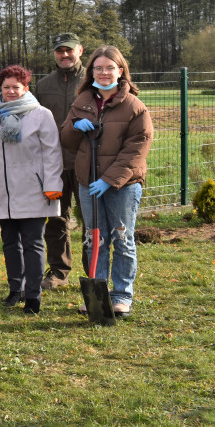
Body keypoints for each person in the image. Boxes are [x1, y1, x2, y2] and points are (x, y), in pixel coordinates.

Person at [61, 46, 152, 318]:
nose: (104, 72)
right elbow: (66, 139)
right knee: (94, 239)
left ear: (120, 71)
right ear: (91, 73)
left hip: (122, 186)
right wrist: (74, 127)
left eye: (110, 67)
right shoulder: (83, 102)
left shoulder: (134, 106)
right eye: (98, 68)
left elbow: (137, 148)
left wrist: (109, 180)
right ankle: (98, 296)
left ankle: (122, 296)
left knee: (122, 238)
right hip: (88, 184)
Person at [0, 65, 62, 314]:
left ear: (26, 89)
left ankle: (33, 295)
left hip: (34, 189)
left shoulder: (41, 115)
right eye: (6, 87)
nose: (11, 91)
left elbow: (52, 153)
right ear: (0, 88)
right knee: (10, 243)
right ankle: (15, 289)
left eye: (16, 87)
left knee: (32, 242)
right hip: (3, 191)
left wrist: (53, 185)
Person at [34, 32, 85, 290]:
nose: (64, 55)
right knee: (55, 220)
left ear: (80, 50)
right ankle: (58, 272)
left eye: (69, 50)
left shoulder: (93, 79)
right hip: (54, 164)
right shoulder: (43, 86)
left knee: (91, 220)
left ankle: (94, 270)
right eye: (59, 51)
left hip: (88, 163)